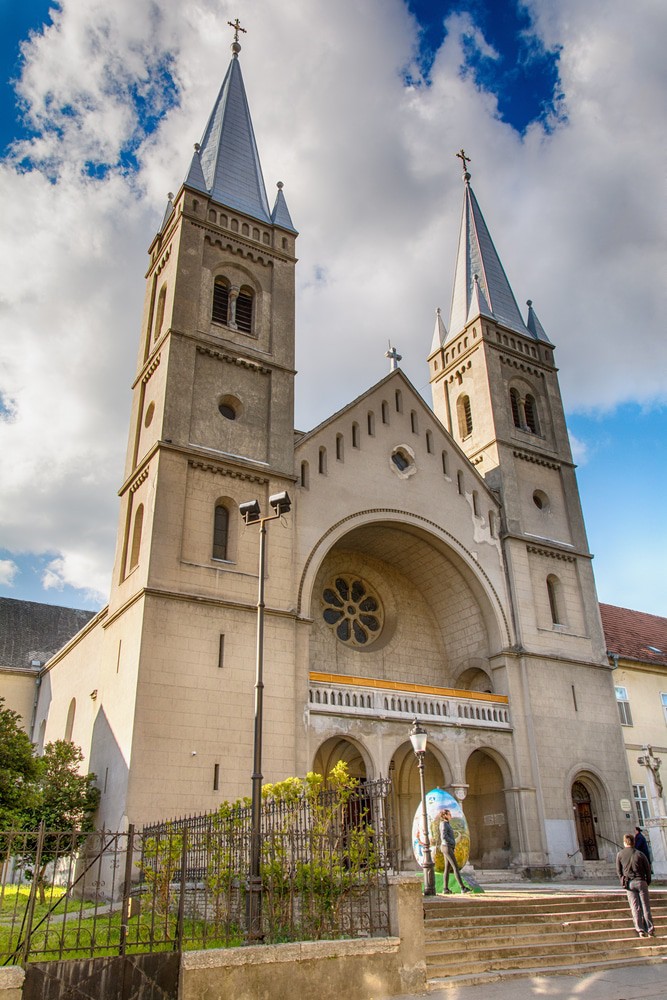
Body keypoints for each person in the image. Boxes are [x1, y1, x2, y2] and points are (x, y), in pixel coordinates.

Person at [616, 833, 655, 937]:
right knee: (645, 906)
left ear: (625, 842)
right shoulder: (640, 854)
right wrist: (647, 882)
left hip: (629, 883)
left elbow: (619, 871)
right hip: (641, 881)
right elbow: (648, 869)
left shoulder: (620, 854)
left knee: (635, 906)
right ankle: (650, 929)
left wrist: (622, 882)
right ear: (634, 842)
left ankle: (640, 929)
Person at [439, 808, 470, 894]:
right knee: (455, 867)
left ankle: (445, 889)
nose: (451, 816)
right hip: (447, 847)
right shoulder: (444, 824)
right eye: (449, 814)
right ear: (445, 815)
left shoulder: (446, 824)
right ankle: (463, 888)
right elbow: (443, 836)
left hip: (447, 847)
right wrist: (453, 842)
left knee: (447, 868)